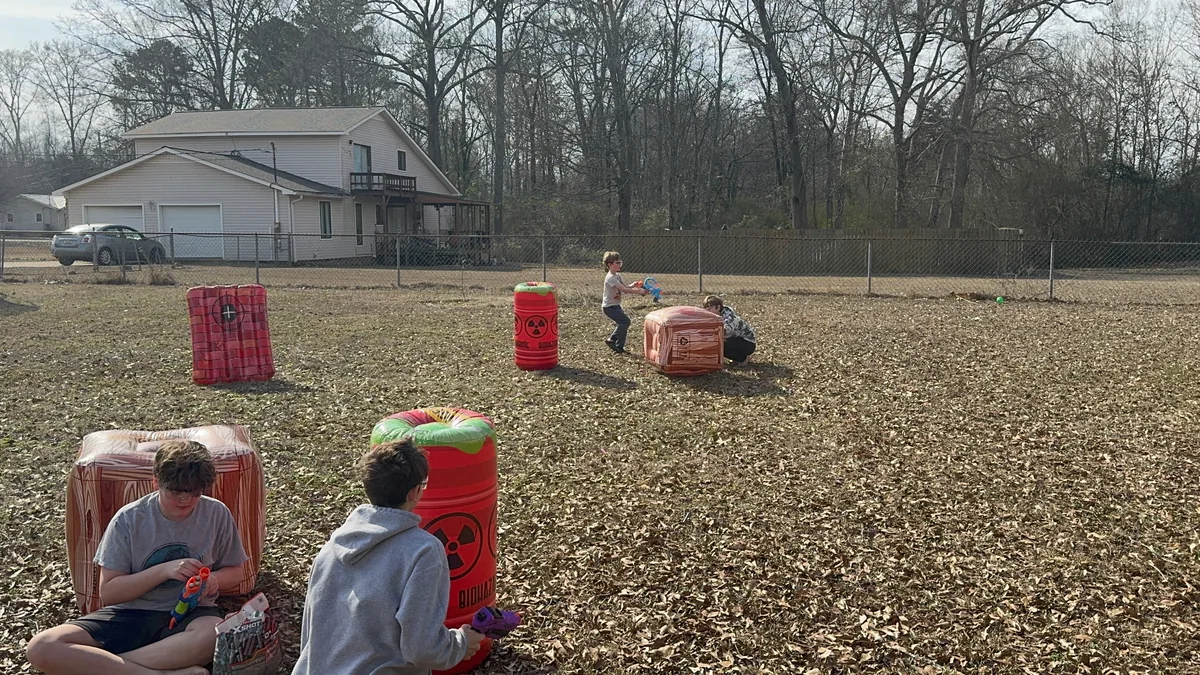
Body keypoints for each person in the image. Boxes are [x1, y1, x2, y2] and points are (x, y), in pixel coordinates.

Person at [26, 440, 249, 675]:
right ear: (156, 482)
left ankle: (106, 666)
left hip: (191, 616)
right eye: (175, 493)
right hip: (132, 614)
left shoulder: (216, 513)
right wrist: (164, 571)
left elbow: (236, 571)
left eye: (194, 494)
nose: (185, 502)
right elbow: (110, 593)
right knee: (42, 647)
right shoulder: (129, 519)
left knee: (214, 634)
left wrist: (214, 580)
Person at [291, 439, 485, 675]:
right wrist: (461, 644)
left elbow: (311, 637)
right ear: (414, 492)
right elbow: (421, 648)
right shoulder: (423, 551)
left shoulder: (331, 548)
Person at [601, 251, 649, 354]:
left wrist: (634, 285)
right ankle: (612, 340)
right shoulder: (610, 278)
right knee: (625, 322)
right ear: (609, 265)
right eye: (617, 263)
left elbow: (626, 287)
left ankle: (619, 347)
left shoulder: (617, 275)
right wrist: (639, 291)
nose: (619, 265)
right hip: (609, 307)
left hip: (615, 305)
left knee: (623, 324)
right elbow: (624, 290)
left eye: (620, 263)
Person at [702, 295, 757, 366]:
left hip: (748, 343)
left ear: (718, 307)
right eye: (706, 309)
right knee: (718, 344)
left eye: (710, 309)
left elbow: (724, 331)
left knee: (718, 345)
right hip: (735, 339)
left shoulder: (729, 317)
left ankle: (743, 358)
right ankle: (737, 357)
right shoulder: (715, 316)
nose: (707, 312)